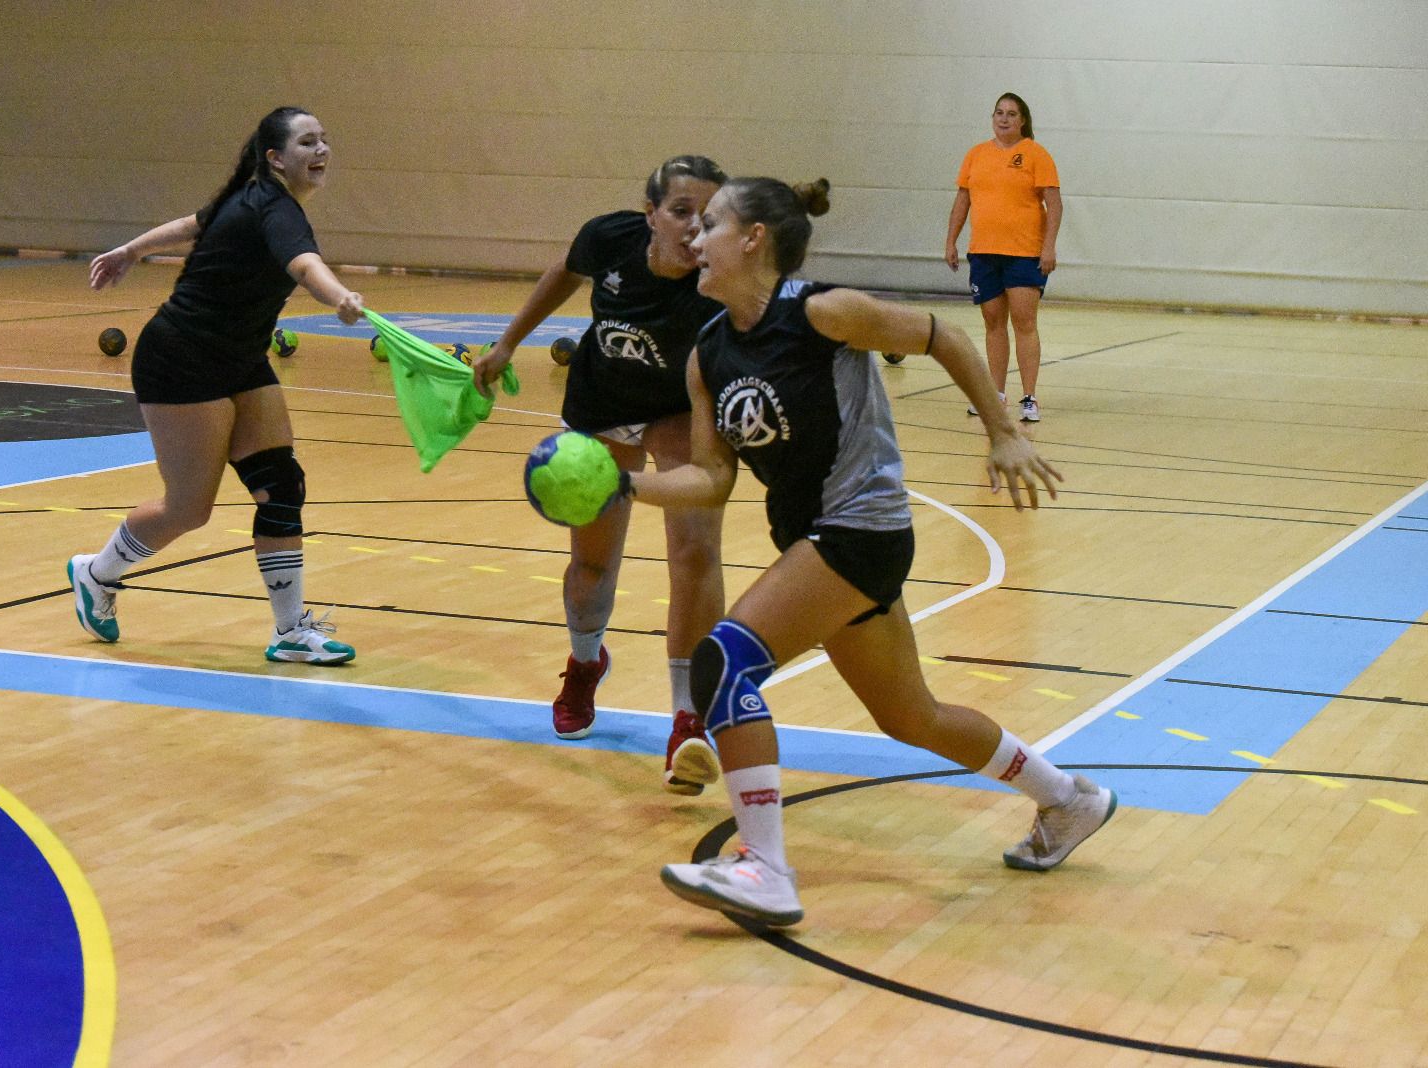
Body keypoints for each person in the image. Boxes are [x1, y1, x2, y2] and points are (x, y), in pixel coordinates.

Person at [619, 176, 1115, 928]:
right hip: (815, 542)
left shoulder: (825, 312)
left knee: (724, 661)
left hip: (862, 528)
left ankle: (766, 871)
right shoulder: (707, 355)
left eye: (712, 222)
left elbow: (942, 336)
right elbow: (712, 477)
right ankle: (1067, 799)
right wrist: (622, 487)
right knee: (911, 715)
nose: (695, 236)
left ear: (755, 238)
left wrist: (1004, 430)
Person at [69, 106, 364, 665]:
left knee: (281, 486)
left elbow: (191, 225)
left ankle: (290, 631)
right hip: (182, 360)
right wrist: (339, 297)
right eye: (307, 143)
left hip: (240, 358)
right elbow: (304, 266)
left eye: (325, 140)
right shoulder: (274, 208)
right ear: (276, 158)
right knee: (188, 509)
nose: (321, 151)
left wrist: (132, 250)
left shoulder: (252, 195)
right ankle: (97, 572)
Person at [474, 157, 729, 795]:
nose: (696, 228)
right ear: (650, 214)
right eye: (680, 211)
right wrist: (509, 341)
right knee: (592, 566)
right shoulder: (609, 238)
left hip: (681, 410)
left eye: (710, 215)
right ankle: (585, 663)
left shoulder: (720, 280)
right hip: (602, 404)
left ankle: (687, 717)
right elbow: (566, 270)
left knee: (694, 553)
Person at [944, 92, 1062, 423]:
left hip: (1024, 253)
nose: (1004, 118)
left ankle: (1029, 397)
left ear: (1022, 120)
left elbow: (1054, 204)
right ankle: (995, 394)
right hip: (984, 252)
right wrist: (951, 241)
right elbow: (962, 201)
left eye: (1011, 113)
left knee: (1024, 322)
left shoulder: (1036, 155)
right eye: (999, 112)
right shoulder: (976, 155)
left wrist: (1048, 246)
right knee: (993, 322)